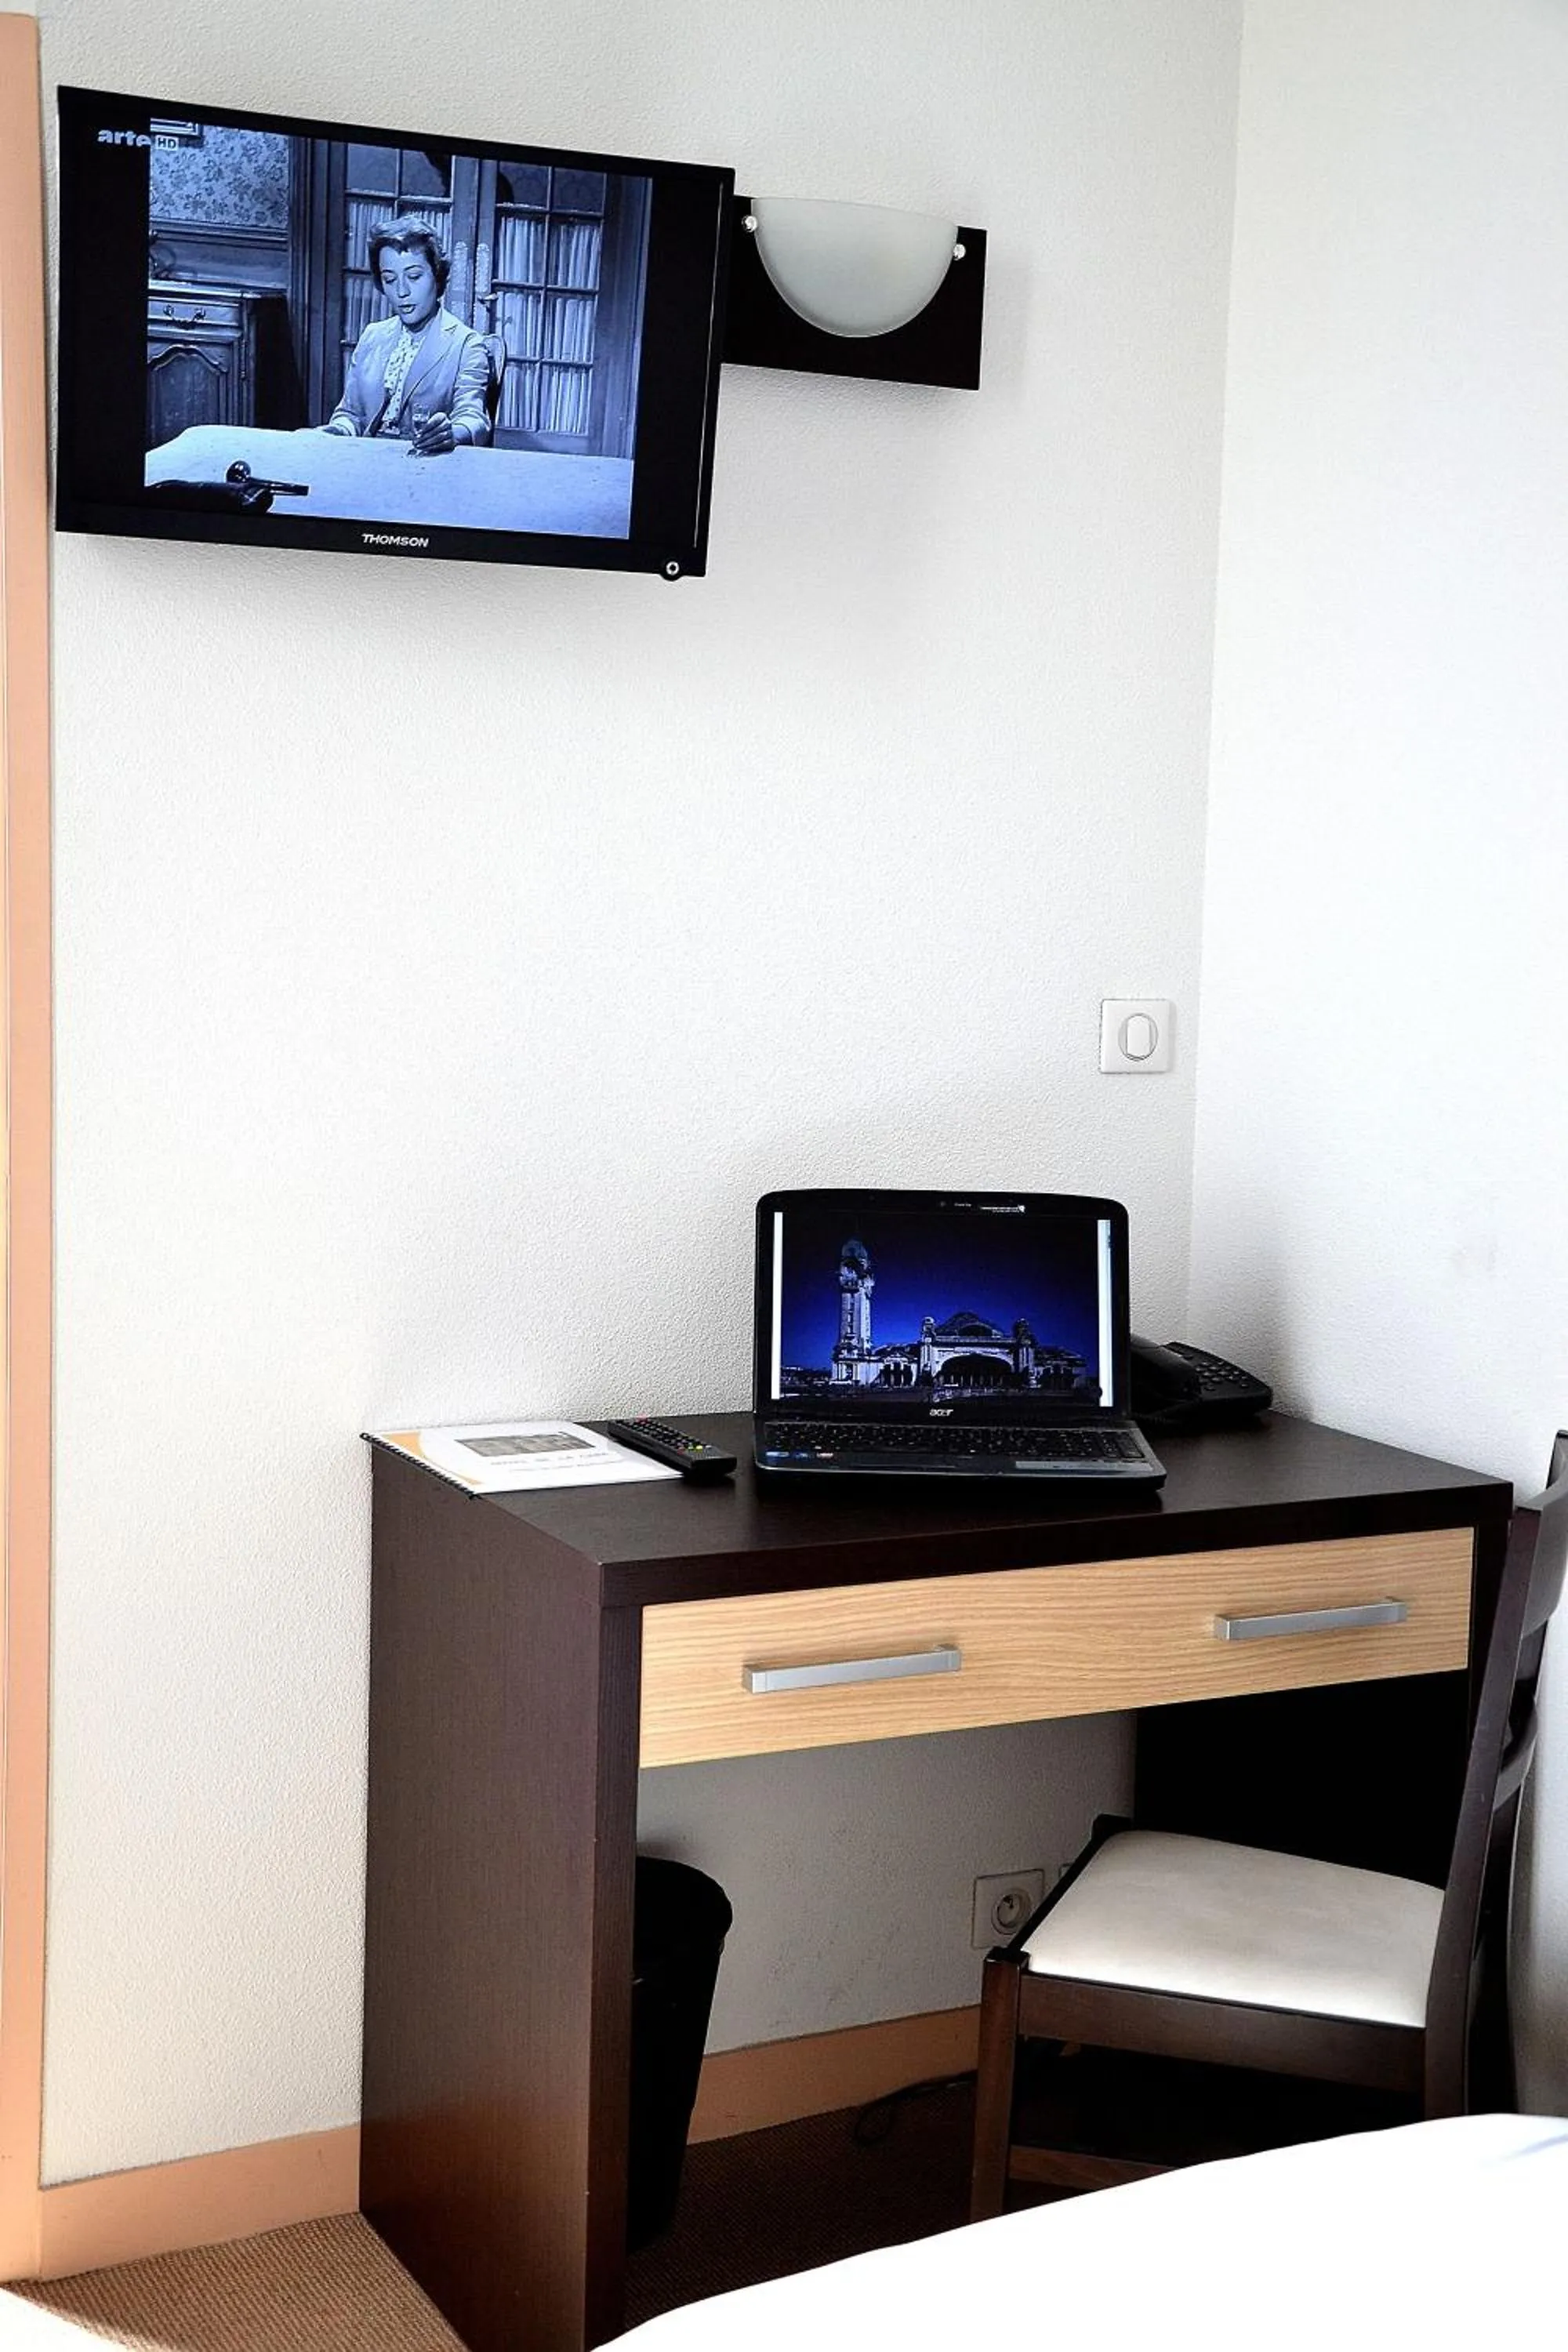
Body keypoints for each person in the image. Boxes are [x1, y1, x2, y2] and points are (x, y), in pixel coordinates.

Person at [321, 220, 491, 452]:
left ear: (437, 275)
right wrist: (336, 430)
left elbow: (474, 419)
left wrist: (451, 433)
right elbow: (351, 414)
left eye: (414, 277)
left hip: (427, 467)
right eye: (390, 280)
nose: (402, 292)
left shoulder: (466, 344)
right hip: (366, 462)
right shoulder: (373, 336)